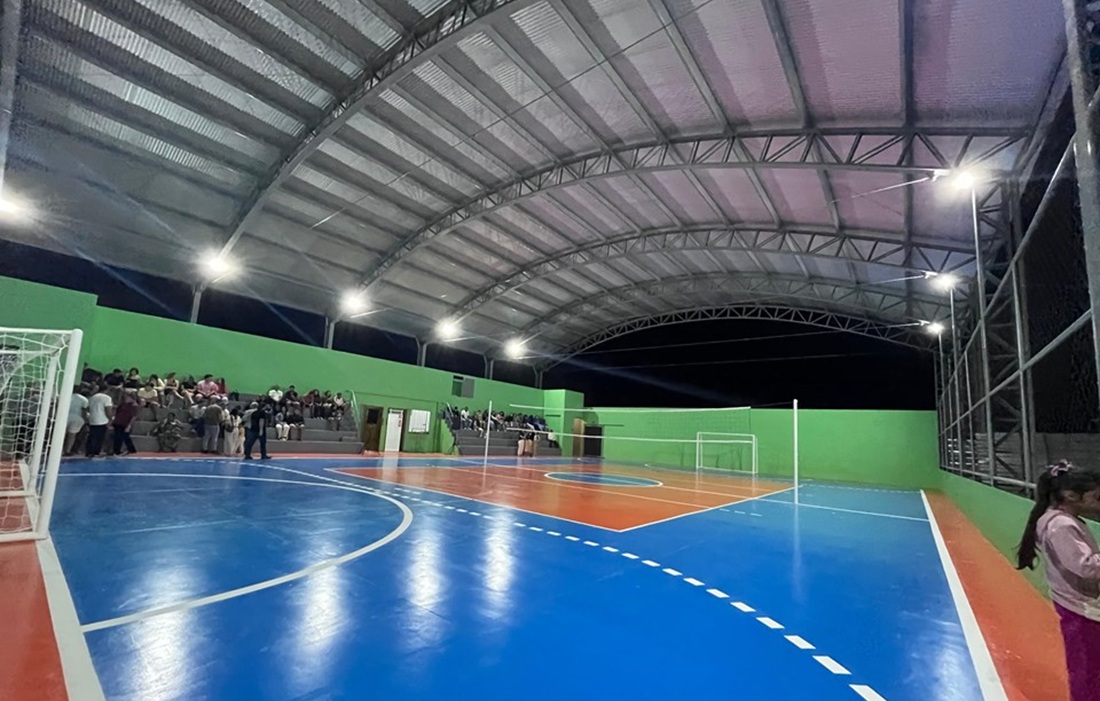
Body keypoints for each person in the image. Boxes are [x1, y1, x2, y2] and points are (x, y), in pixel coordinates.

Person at [1017, 461, 1100, 701]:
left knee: (1090, 666)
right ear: (1071, 495)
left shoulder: (1061, 519)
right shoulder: (1061, 525)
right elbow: (1085, 566)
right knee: (1087, 669)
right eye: (1096, 498)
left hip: (1077, 604)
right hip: (1080, 608)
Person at [85, 385, 113, 458]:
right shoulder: (107, 398)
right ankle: (96, 452)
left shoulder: (92, 397)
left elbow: (88, 409)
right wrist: (110, 418)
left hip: (92, 419)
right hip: (102, 420)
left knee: (92, 436)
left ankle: (89, 451)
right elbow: (108, 409)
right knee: (99, 437)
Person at [63, 385, 89, 456]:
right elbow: (84, 411)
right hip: (78, 418)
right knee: (72, 435)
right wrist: (86, 420)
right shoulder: (84, 399)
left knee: (62, 434)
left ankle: (58, 449)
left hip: (64, 417)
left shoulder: (65, 396)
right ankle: (67, 450)